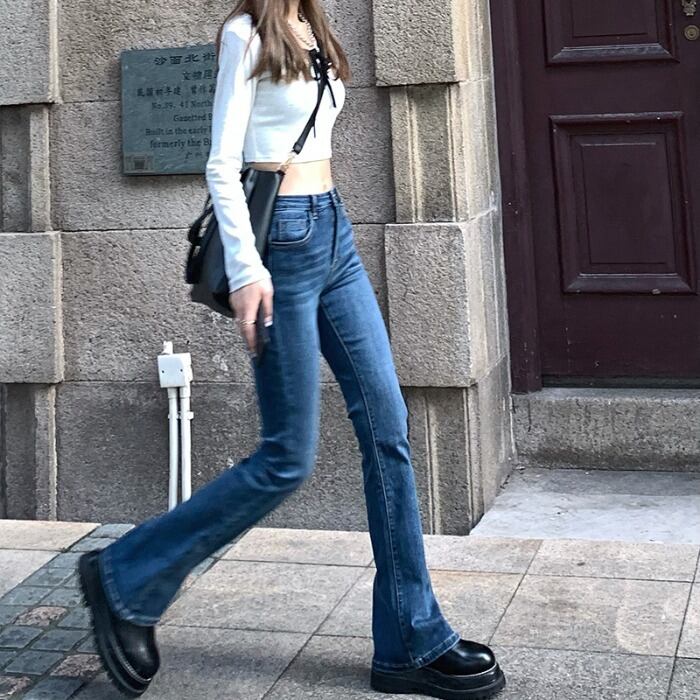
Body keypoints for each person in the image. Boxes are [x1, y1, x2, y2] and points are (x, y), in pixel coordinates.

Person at [77, 2, 507, 698]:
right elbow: (222, 163)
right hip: (281, 246)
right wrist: (247, 270)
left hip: (333, 232)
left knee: (389, 428)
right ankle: (127, 573)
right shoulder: (244, 35)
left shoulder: (314, 27)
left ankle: (411, 638)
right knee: (287, 457)